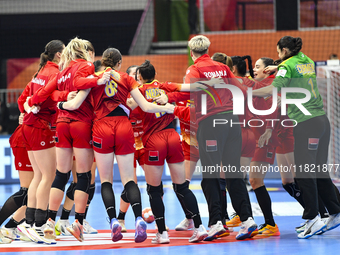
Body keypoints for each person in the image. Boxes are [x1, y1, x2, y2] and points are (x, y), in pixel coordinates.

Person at [62, 48, 174, 243]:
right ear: (120, 63)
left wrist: (63, 102)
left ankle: (114, 221)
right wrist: (167, 107)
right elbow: (145, 106)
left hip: (101, 127)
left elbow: (78, 103)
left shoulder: (93, 77)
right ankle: (138, 218)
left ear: (103, 61)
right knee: (129, 179)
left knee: (105, 181)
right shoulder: (126, 78)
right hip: (123, 126)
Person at [252, 35, 340, 239]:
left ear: (283, 51)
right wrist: (277, 67)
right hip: (321, 121)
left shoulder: (286, 66)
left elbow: (274, 88)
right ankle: (335, 211)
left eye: (278, 52)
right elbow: (292, 67)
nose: (277, 56)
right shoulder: (307, 60)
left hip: (305, 123)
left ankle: (313, 218)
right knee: (318, 169)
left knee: (303, 173)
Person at [25, 37, 111, 242]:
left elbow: (45, 92)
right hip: (81, 124)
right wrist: (97, 80)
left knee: (60, 175)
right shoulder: (87, 65)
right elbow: (81, 83)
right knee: (83, 177)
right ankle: (78, 223)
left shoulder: (62, 70)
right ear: (83, 51)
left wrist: (32, 103)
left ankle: (49, 222)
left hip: (61, 125)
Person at [184, 35, 258, 241]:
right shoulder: (223, 67)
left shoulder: (194, 70)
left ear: (192, 53)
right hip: (232, 123)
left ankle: (216, 222)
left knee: (210, 176)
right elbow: (240, 90)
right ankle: (248, 220)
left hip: (210, 124)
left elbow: (189, 93)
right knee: (233, 173)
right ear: (208, 49)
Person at [128, 60, 207, 244]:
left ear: (139, 77)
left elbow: (127, 107)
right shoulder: (166, 87)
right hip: (173, 136)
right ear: (154, 75)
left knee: (154, 190)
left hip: (154, 140)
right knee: (182, 187)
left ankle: (162, 233)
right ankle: (199, 227)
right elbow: (191, 88)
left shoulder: (138, 92)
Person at [16, 40, 65, 244]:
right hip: (39, 127)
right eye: (65, 53)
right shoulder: (54, 73)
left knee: (39, 175)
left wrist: (26, 110)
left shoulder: (40, 72)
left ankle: (28, 225)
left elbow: (21, 101)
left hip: (28, 126)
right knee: (48, 176)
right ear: (59, 55)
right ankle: (39, 225)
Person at [0, 113, 33, 244]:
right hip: (27, 138)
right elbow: (27, 103)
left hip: (40, 139)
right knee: (26, 191)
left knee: (38, 192)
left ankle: (10, 227)